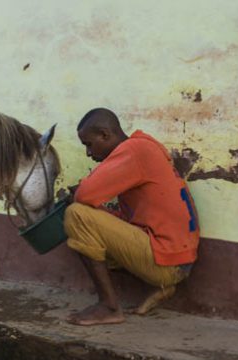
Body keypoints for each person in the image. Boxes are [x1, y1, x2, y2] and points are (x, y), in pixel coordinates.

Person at [63, 108, 200, 326]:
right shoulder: (142, 148)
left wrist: (82, 191)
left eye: (89, 144)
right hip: (177, 259)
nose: (88, 154)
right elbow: (129, 220)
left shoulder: (134, 151)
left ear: (106, 135)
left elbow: (84, 195)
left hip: (169, 262)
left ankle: (109, 307)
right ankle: (162, 285)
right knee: (92, 226)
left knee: (76, 215)